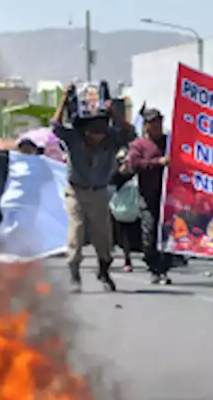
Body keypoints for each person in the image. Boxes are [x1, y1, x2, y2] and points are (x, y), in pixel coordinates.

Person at [52, 86, 133, 293]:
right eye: (92, 130)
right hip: (76, 192)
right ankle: (74, 273)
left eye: (101, 129)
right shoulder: (73, 139)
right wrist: (63, 99)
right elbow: (54, 125)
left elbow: (130, 133)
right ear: (84, 129)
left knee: (103, 237)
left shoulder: (111, 140)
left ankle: (104, 270)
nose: (97, 135)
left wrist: (114, 112)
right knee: (76, 233)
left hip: (99, 192)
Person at [126, 107, 174, 285]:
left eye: (159, 122)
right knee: (149, 233)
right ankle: (153, 267)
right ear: (146, 126)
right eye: (153, 123)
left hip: (169, 197)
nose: (157, 126)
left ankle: (164, 268)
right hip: (149, 195)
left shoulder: (169, 142)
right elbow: (135, 164)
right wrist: (158, 163)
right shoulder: (138, 145)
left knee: (169, 234)